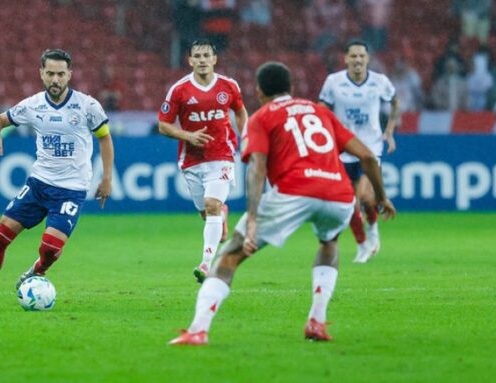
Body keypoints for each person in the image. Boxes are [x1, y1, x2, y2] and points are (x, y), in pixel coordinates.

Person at [168, 61, 396, 345]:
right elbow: (368, 157)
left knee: (229, 256)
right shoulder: (320, 111)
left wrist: (252, 218)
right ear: (291, 88)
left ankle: (198, 330)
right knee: (329, 242)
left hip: (293, 191)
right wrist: (382, 198)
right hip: (338, 195)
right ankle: (317, 321)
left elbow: (257, 167)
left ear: (259, 91)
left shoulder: (262, 117)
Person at [0, 49, 114, 310]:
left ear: (70, 74)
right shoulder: (33, 105)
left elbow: (105, 138)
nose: (55, 79)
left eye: (60, 74)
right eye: (50, 74)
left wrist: (106, 179)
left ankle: (37, 269)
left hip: (71, 190)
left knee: (50, 249)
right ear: (41, 74)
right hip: (38, 186)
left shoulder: (87, 105)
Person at [157, 39, 248, 284]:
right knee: (205, 211)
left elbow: (240, 111)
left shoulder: (229, 86)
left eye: (206, 55)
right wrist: (188, 136)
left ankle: (206, 264)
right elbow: (163, 125)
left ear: (214, 59)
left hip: (223, 154)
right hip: (192, 160)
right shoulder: (179, 90)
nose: (202, 60)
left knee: (211, 204)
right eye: (197, 56)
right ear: (190, 61)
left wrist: (246, 137)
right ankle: (221, 213)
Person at [318, 40, 398, 264]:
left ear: (368, 58)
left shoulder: (380, 82)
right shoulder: (333, 82)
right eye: (353, 56)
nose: (358, 60)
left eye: (362, 56)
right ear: (345, 59)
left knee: (365, 197)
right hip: (344, 149)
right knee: (349, 203)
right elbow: (322, 107)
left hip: (370, 148)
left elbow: (395, 101)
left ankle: (372, 231)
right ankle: (362, 244)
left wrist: (389, 130)